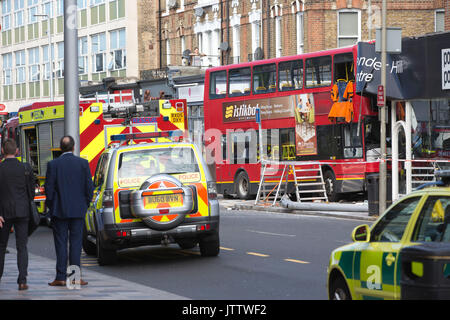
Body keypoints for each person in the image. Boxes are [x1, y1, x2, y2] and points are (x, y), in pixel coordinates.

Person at [45, 136, 94, 287]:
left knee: (60, 244)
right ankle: (74, 278)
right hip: (78, 210)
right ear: (73, 147)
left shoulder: (53, 164)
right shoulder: (83, 164)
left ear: (60, 148)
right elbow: (89, 189)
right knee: (75, 244)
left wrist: (53, 206)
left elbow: (49, 189)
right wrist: (84, 205)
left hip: (59, 211)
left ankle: (60, 276)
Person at [0, 139, 35, 291]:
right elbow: (31, 191)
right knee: (22, 247)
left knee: (1, 247)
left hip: (3, 213)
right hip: (22, 211)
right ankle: (22, 280)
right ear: (17, 151)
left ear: (2, 151)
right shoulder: (25, 168)